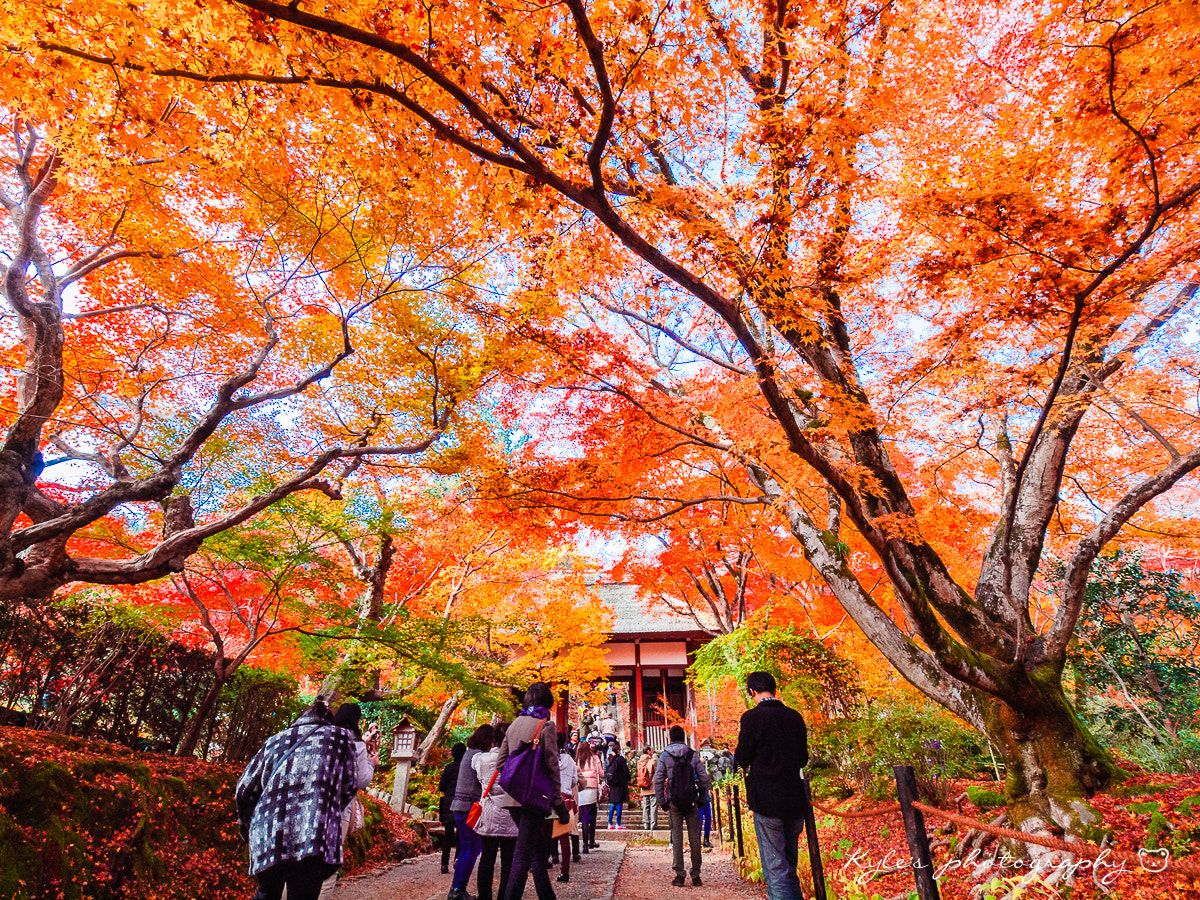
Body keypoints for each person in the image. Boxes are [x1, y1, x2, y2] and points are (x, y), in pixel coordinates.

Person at [235, 699, 359, 900]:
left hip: (268, 833)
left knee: (266, 893)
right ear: (327, 720)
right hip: (313, 835)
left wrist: (248, 830)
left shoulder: (274, 741)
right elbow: (349, 785)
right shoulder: (341, 737)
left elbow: (244, 791)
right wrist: (327, 809)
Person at [734, 671, 809, 900]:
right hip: (794, 800)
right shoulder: (795, 717)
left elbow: (742, 758)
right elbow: (803, 759)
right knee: (790, 868)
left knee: (776, 871)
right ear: (774, 690)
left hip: (767, 801)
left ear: (752, 692)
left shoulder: (751, 719)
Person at [496, 682, 569, 900]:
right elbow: (552, 765)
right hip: (534, 800)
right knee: (523, 856)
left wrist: (518, 779)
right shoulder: (545, 726)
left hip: (512, 798)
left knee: (537, 852)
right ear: (546, 702)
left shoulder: (514, 724)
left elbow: (501, 763)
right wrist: (557, 801)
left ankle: (548, 896)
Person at [317, 703, 379, 900]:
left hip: (313, 804)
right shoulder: (356, 744)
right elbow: (361, 780)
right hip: (339, 809)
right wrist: (371, 762)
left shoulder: (324, 736)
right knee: (328, 868)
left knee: (301, 865)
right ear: (356, 720)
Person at [654, 724, 710, 888]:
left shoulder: (665, 756)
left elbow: (658, 781)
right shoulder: (692, 755)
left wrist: (662, 802)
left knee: (677, 838)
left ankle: (679, 875)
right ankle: (696, 875)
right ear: (683, 738)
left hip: (674, 802)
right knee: (695, 838)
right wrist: (702, 798)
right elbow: (704, 778)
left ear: (670, 738)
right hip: (692, 801)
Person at [449, 723, 495, 900]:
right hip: (470, 808)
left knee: (466, 848)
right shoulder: (479, 756)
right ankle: (459, 889)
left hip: (458, 806)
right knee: (474, 848)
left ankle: (456, 888)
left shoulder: (468, 753)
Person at [474, 722, 518, 900]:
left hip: (489, 812)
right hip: (510, 814)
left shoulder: (480, 760)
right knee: (508, 861)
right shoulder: (515, 761)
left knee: (487, 858)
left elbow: (479, 778)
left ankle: (485, 896)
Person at [439, 743, 467, 874]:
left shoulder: (448, 768)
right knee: (461, 835)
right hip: (461, 804)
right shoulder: (466, 768)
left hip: (448, 804)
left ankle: (444, 864)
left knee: (448, 835)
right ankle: (457, 860)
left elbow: (441, 786)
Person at [574, 740, 602, 852]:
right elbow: (602, 773)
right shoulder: (595, 759)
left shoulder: (576, 760)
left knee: (584, 817)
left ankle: (584, 844)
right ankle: (592, 841)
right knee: (592, 815)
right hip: (592, 788)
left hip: (581, 789)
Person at [604, 748, 630, 829]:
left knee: (613, 803)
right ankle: (618, 823)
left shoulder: (610, 760)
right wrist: (628, 778)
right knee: (619, 803)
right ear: (618, 751)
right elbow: (625, 771)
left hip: (612, 785)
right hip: (620, 784)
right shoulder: (620, 759)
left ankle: (610, 822)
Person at [636, 749, 658, 830]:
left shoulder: (640, 762)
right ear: (648, 751)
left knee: (645, 806)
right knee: (653, 806)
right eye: (651, 750)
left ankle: (646, 824)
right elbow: (657, 773)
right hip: (652, 786)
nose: (652, 751)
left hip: (643, 786)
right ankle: (653, 824)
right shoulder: (653, 761)